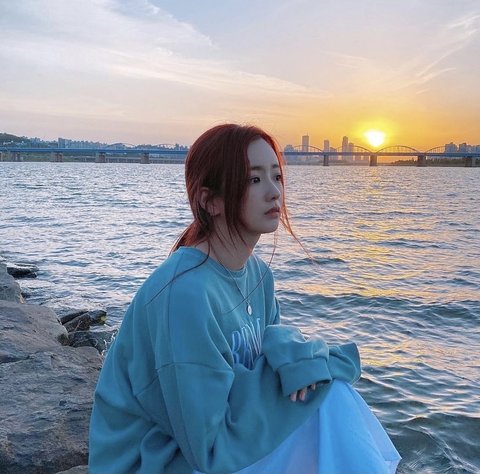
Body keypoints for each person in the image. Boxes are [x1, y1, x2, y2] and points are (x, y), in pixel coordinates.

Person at [89, 124, 401, 473]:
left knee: (328, 395)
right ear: (210, 201)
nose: (274, 192)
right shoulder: (186, 294)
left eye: (276, 176)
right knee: (327, 399)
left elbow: (263, 366)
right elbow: (207, 449)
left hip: (210, 443)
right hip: (155, 460)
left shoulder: (259, 276)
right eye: (254, 179)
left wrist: (292, 355)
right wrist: (307, 371)